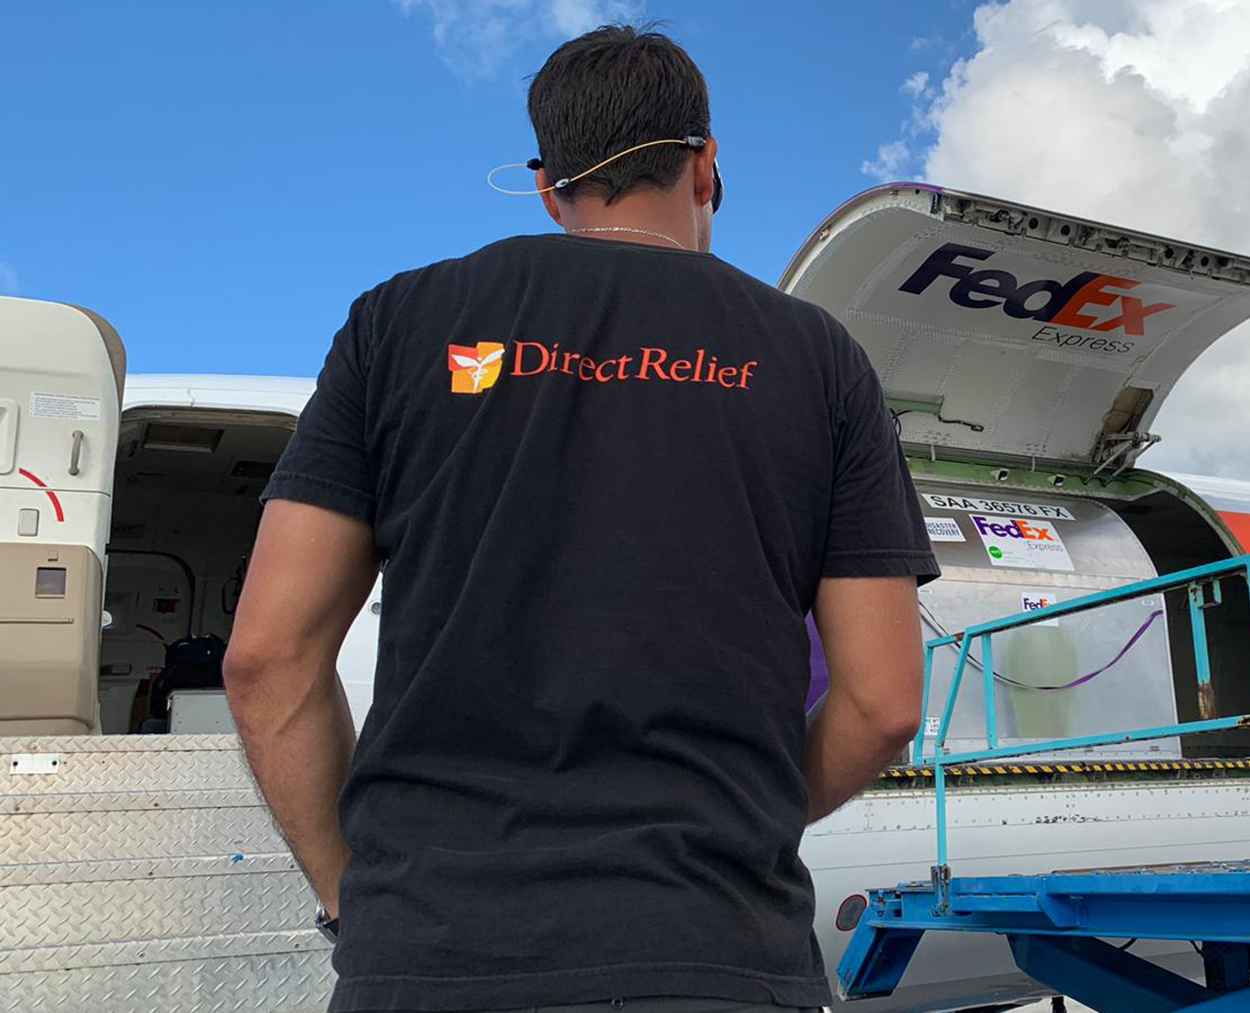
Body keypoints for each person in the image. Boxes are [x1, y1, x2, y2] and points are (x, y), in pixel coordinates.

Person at [222, 25, 938, 1013]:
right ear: (707, 165)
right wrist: (742, 818)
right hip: (715, 952)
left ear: (549, 184)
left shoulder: (395, 324)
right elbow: (884, 700)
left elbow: (266, 657)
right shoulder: (818, 358)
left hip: (424, 953)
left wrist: (358, 894)